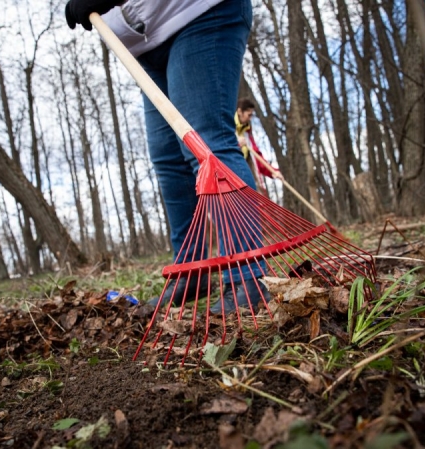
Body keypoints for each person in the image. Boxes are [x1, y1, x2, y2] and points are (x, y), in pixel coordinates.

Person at [65, 0, 271, 314]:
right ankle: (191, 271)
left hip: (197, 12)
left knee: (207, 142)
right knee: (168, 159)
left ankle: (247, 277)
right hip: (145, 40)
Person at [235, 98, 282, 195]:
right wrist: (236, 144)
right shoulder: (228, 127)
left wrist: (272, 171)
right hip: (232, 177)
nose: (250, 118)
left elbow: (257, 157)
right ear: (240, 111)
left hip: (246, 174)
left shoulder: (247, 133)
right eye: (249, 114)